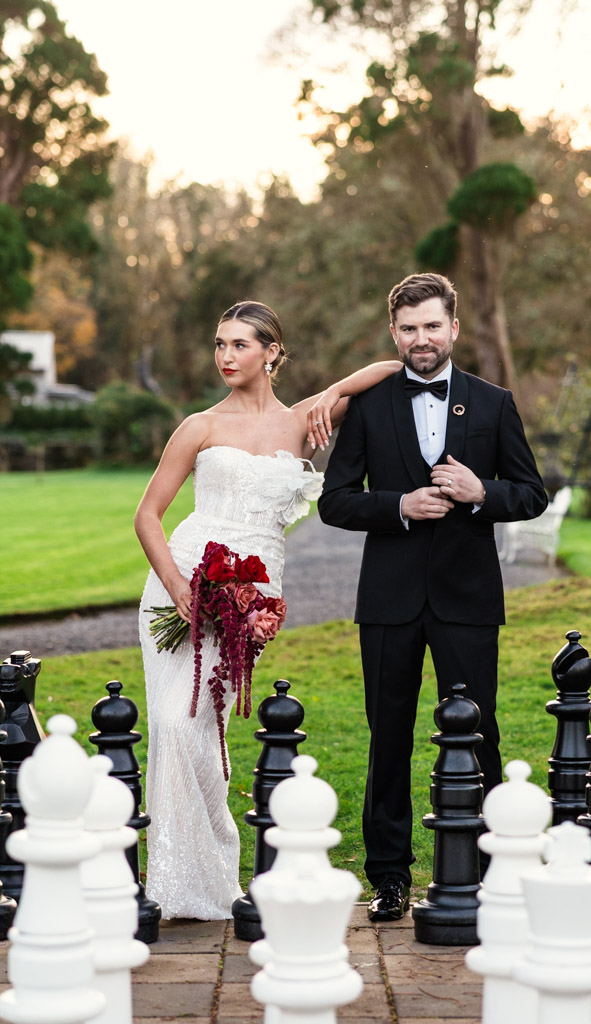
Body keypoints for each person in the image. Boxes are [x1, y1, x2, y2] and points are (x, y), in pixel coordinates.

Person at [134, 299, 401, 920]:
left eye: (240, 345)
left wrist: (336, 394)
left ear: (272, 353)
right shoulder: (199, 426)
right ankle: (181, 882)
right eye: (220, 345)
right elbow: (148, 515)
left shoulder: (303, 420)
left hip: (252, 597)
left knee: (202, 725)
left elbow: (386, 370)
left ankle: (210, 874)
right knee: (175, 724)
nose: (226, 356)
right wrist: (176, 585)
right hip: (183, 582)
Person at [314, 273, 548, 922]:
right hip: (386, 602)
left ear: (453, 328)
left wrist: (481, 494)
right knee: (386, 741)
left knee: (479, 738)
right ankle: (389, 878)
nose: (421, 339)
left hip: (468, 600)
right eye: (408, 329)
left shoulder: (493, 403)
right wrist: (398, 506)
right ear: (394, 333)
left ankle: (485, 872)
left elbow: (531, 493)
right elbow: (334, 500)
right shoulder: (367, 404)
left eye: (431, 326)